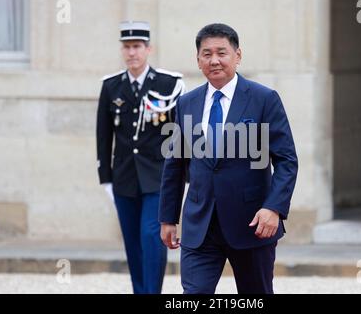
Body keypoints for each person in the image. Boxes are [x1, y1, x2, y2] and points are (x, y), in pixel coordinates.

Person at [159, 23, 298, 294]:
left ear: (238, 55)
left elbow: (287, 160)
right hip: (200, 225)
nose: (214, 60)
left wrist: (274, 208)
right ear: (198, 60)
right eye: (206, 54)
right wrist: (167, 217)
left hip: (253, 224)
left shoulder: (263, 99)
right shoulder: (187, 103)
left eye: (221, 52)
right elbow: (174, 164)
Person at [96, 21, 184, 294]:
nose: (132, 52)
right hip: (123, 178)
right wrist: (105, 179)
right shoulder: (111, 87)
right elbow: (103, 135)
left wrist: (184, 177)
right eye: (127, 47)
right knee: (132, 243)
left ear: (149, 49)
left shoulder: (168, 84)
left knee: (151, 235)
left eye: (137, 47)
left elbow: (178, 135)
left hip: (158, 177)